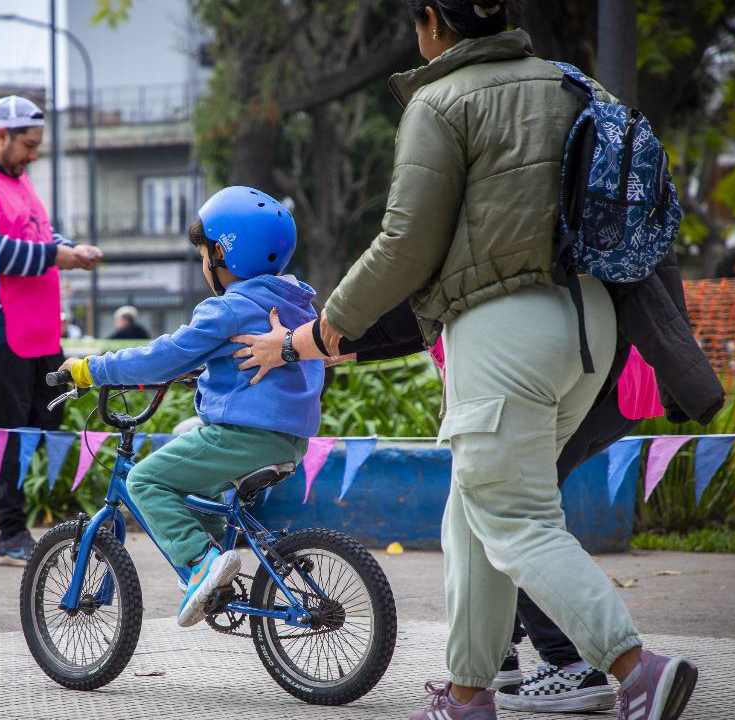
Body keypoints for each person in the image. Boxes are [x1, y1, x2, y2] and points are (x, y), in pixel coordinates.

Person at [231, 3, 704, 718]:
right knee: (474, 514)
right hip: (593, 324)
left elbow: (404, 244)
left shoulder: (441, 99)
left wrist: (323, 328)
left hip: (504, 327)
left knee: (513, 518)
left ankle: (637, 668)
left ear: (430, 20)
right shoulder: (575, 83)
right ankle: (468, 695)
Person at [58, 186, 324, 627]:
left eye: (204, 253)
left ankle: (201, 563)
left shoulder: (230, 309)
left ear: (223, 255)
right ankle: (219, 556)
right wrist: (201, 373)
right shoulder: (291, 301)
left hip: (245, 437)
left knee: (145, 481)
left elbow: (162, 355)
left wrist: (92, 370)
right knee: (185, 435)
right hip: (287, 439)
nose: (203, 264)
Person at [0, 95, 102, 566]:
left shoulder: (19, 180)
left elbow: (39, 236)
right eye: (28, 144)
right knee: (10, 428)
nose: (34, 154)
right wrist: (56, 256)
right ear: (0, 135)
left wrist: (70, 249)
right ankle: (10, 532)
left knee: (51, 413)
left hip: (39, 326)